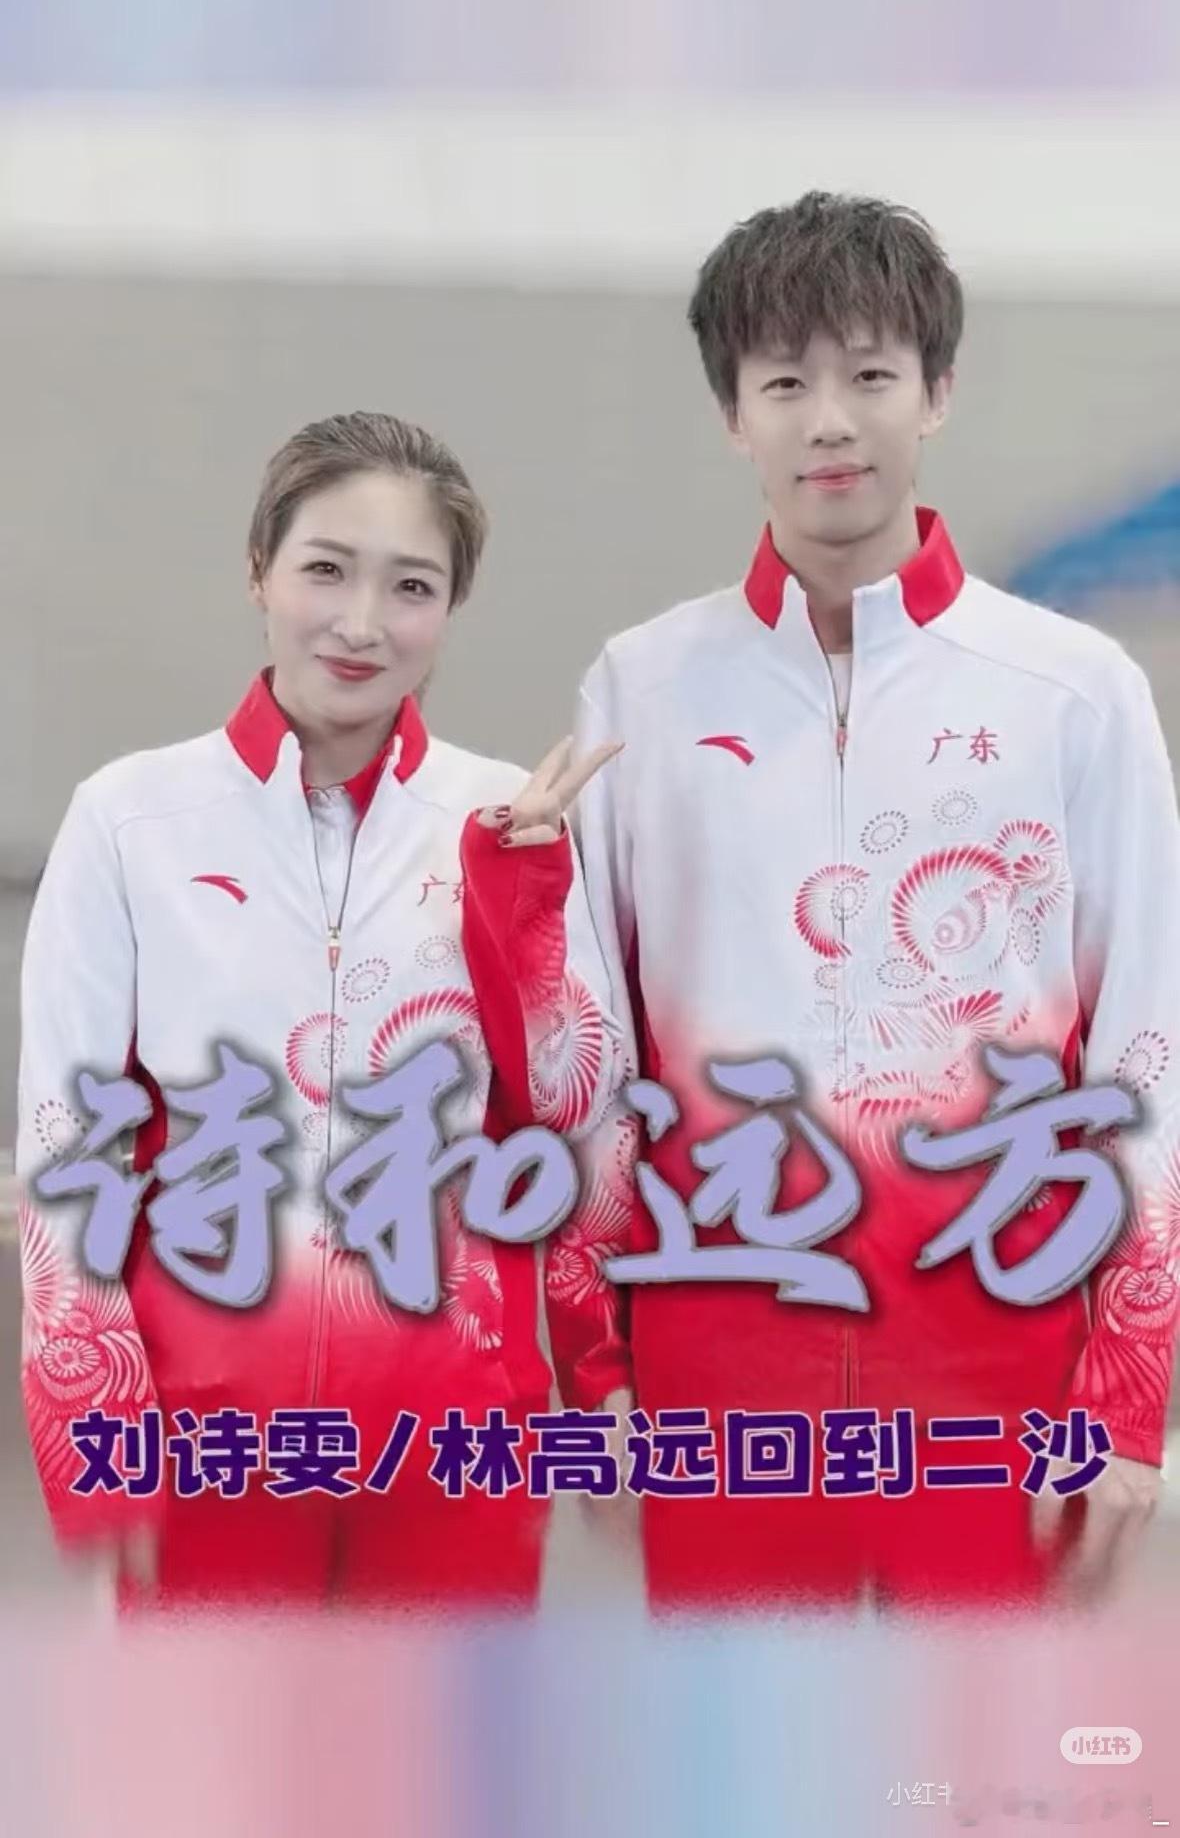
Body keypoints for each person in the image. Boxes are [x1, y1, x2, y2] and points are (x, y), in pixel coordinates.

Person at [567, 192, 1180, 1610]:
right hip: (720, 1371)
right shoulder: (644, 689)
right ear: (733, 414)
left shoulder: (1071, 692)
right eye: (784, 383)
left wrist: (1126, 1391)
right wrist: (596, 1372)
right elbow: (588, 1058)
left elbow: (1145, 1044)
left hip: (998, 1361)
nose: (830, 422)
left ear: (937, 392)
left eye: (869, 375)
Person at [18, 409, 630, 1610]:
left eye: (411, 586)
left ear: (450, 608)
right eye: (326, 569)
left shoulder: (508, 818)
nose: (361, 622)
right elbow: (66, 1140)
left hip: (457, 1444)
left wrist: (525, 907)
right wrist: (95, 1438)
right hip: (207, 1444)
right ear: (260, 571)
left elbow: (575, 1119)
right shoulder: (132, 820)